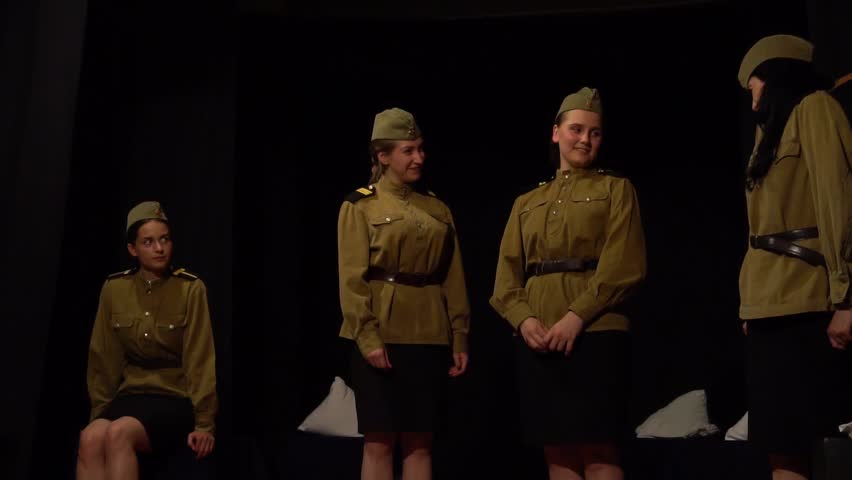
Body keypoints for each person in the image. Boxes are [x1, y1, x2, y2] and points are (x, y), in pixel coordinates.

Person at [490, 87, 646, 480]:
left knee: (599, 450)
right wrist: (525, 321)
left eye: (595, 133)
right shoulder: (527, 201)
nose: (585, 139)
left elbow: (623, 267)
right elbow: (506, 278)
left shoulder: (615, 189)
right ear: (556, 133)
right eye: (577, 129)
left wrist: (577, 317)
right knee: (556, 451)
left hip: (596, 332)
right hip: (539, 336)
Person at [737, 34, 852, 480]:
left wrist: (846, 297)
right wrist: (751, 301)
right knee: (778, 447)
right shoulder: (766, 132)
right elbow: (757, 230)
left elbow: (837, 203)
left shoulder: (816, 109)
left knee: (815, 443)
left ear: (775, 78)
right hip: (768, 305)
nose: (751, 105)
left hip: (808, 301)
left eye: (754, 89)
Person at [337, 107, 471, 480]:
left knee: (420, 441)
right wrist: (367, 337)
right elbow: (351, 280)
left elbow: (453, 277)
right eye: (408, 150)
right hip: (382, 333)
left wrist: (459, 336)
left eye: (420, 148)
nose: (419, 157)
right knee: (379, 441)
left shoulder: (437, 207)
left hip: (429, 332)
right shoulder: (360, 205)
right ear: (383, 156)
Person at [77, 201, 218, 480]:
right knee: (90, 438)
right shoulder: (114, 288)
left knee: (119, 433)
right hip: (130, 396)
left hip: (172, 397)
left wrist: (205, 424)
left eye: (164, 239)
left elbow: (200, 359)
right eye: (148, 242)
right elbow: (103, 357)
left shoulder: (191, 289)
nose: (159, 248)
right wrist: (100, 413)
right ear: (133, 249)